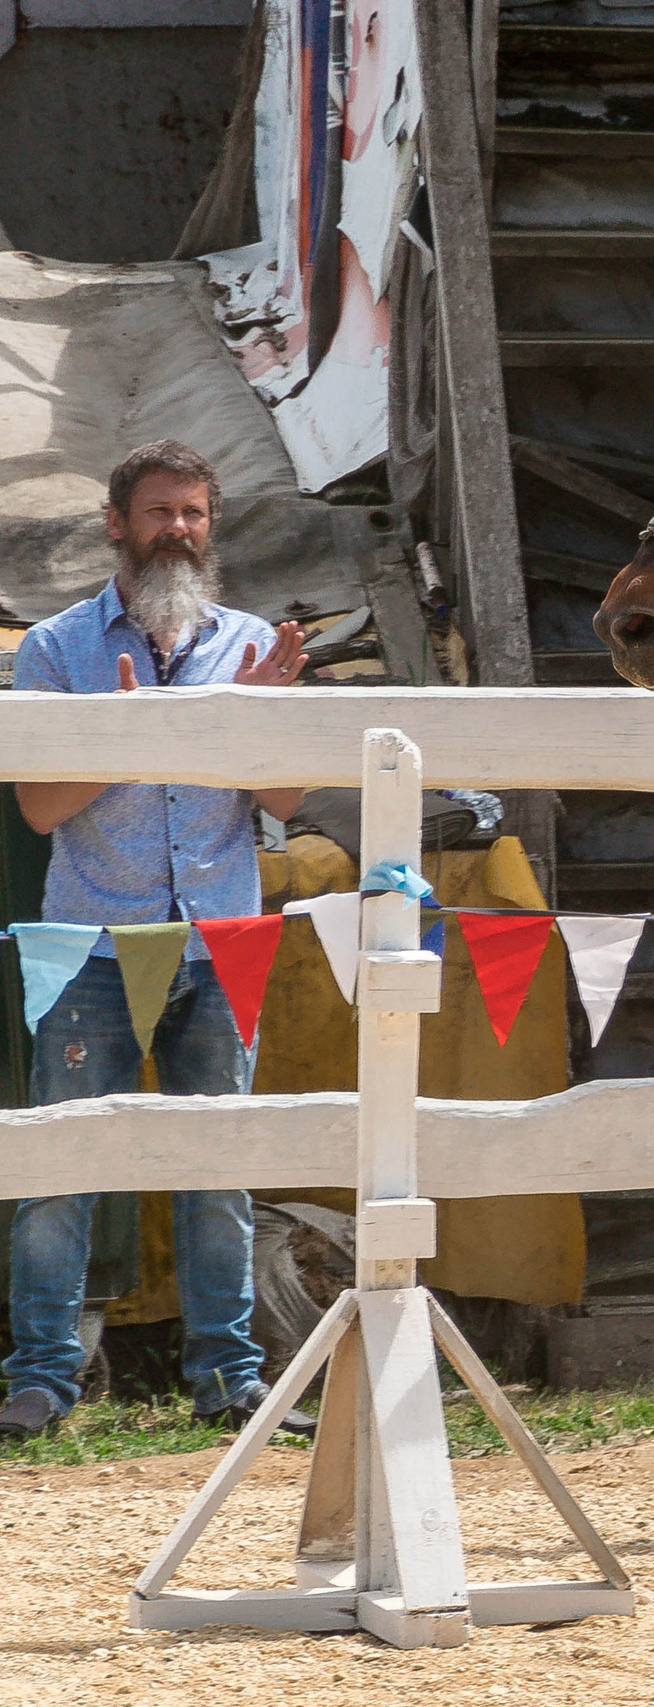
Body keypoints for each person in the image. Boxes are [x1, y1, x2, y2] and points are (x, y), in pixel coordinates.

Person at [1, 441, 314, 1443]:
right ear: (116, 523)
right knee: (63, 1170)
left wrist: (264, 723)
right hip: (91, 944)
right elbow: (42, 810)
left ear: (211, 526)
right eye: (158, 512)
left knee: (217, 1169)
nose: (177, 529)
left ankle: (229, 1378)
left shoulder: (250, 643)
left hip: (222, 942)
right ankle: (43, 1379)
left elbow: (287, 802)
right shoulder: (51, 649)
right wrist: (124, 738)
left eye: (193, 513)